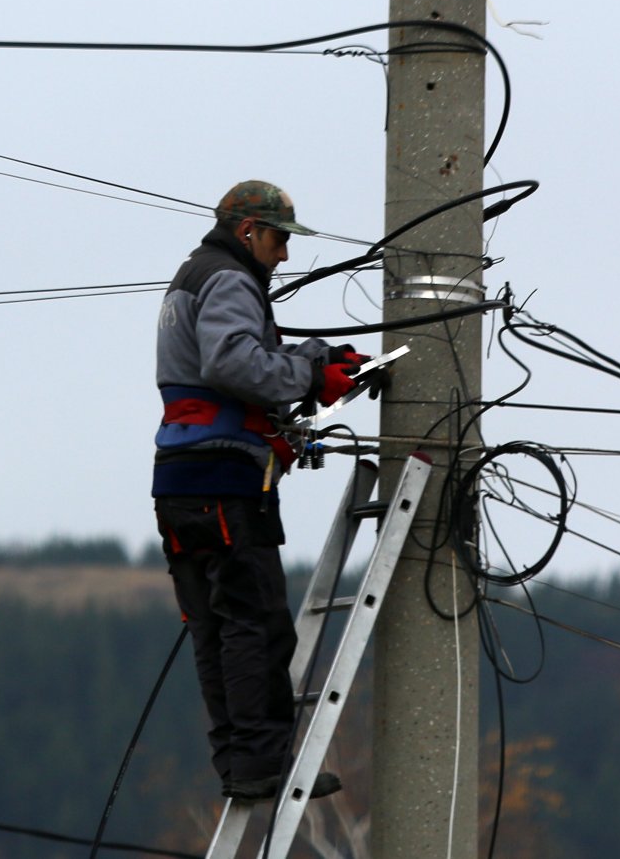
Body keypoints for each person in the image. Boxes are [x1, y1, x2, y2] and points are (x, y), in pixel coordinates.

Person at [151, 180, 369, 801]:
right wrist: (310, 373)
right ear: (248, 230)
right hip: (224, 484)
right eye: (279, 239)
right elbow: (234, 364)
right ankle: (263, 765)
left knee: (214, 632)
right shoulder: (229, 278)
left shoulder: (193, 276)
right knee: (256, 625)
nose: (285, 255)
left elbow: (225, 366)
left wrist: (313, 361)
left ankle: (241, 767)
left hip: (181, 484)